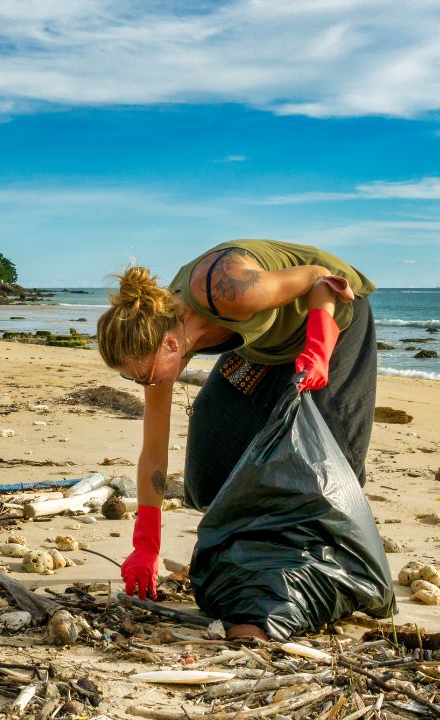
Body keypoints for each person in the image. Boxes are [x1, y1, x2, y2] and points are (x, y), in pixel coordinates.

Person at [96, 239, 379, 633]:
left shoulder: (227, 288)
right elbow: (154, 453)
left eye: (142, 375)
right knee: (209, 464)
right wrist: (146, 544)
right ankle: (248, 550)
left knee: (329, 458)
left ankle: (325, 568)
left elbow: (321, 279)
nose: (143, 383)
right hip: (264, 348)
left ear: (171, 344)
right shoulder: (161, 341)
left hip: (332, 320)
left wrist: (317, 346)